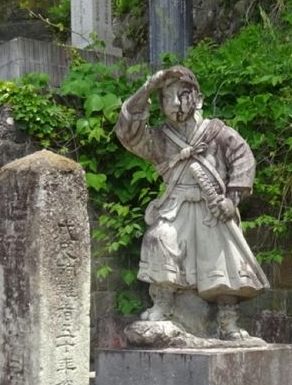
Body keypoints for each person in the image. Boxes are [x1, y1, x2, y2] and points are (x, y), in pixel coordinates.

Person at [115, 66, 269, 340]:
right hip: (176, 207)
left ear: (197, 98)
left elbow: (244, 160)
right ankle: (163, 303)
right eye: (166, 97)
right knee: (159, 239)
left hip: (212, 209)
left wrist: (232, 199)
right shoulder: (160, 139)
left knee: (223, 262)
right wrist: (147, 88)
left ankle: (227, 322)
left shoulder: (218, 133)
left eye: (181, 95)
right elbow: (127, 134)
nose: (174, 103)